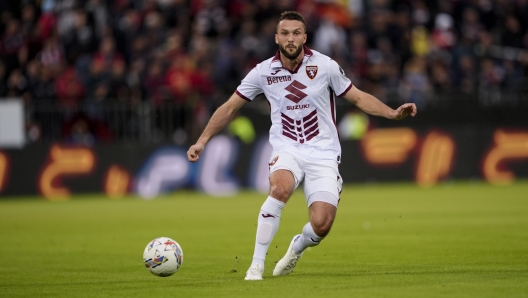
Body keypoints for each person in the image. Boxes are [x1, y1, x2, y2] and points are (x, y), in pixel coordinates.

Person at [187, 11, 417, 281]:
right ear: (276, 38)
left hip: (323, 152)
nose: (291, 38)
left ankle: (297, 245)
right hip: (287, 147)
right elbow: (229, 108)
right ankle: (256, 265)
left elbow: (357, 97)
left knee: (321, 224)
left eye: (296, 32)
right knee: (280, 188)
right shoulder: (263, 72)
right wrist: (202, 140)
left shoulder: (325, 66)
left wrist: (391, 113)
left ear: (305, 36)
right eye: (285, 33)